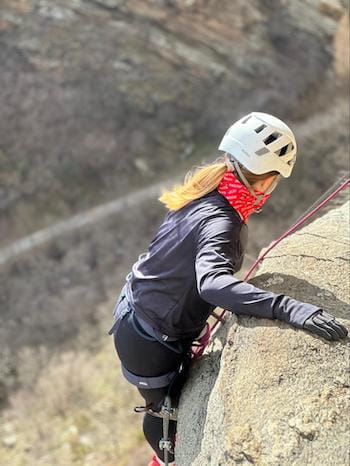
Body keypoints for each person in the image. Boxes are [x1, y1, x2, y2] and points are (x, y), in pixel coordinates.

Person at [109, 112, 348, 466]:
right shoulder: (222, 218)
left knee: (165, 405)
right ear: (266, 182)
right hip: (149, 340)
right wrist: (290, 308)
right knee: (163, 412)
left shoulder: (205, 189)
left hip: (138, 317)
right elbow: (213, 283)